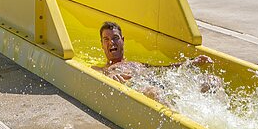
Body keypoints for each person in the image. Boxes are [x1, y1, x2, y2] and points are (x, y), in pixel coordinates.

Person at [92, 21, 220, 101]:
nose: (111, 42)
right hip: (146, 89)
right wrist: (110, 76)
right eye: (106, 40)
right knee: (153, 92)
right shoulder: (103, 69)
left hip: (161, 83)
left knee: (212, 80)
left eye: (115, 38)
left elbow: (163, 69)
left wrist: (191, 62)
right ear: (102, 45)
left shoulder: (137, 64)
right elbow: (96, 75)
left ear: (123, 41)